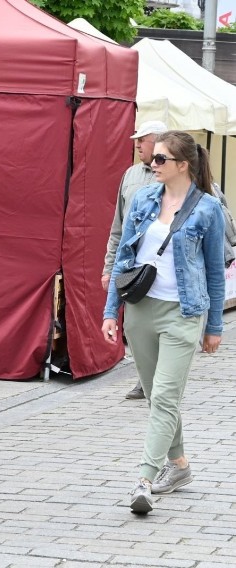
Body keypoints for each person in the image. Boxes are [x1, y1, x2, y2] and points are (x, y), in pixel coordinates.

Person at [102, 131, 226, 515]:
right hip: (141, 310)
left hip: (183, 313)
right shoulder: (143, 199)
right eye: (152, 158)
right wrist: (110, 312)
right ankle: (180, 466)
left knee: (166, 397)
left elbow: (215, 272)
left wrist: (215, 326)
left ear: (182, 165)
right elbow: (125, 258)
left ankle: (144, 479)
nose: (151, 165)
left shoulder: (208, 209)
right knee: (158, 397)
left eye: (159, 160)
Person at [102, 120, 168, 400]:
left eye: (143, 139)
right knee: (136, 327)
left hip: (165, 267)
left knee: (162, 326)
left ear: (160, 142)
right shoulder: (130, 175)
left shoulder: (174, 175)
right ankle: (145, 379)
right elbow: (118, 226)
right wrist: (109, 268)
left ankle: (161, 380)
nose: (138, 144)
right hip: (133, 265)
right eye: (137, 140)